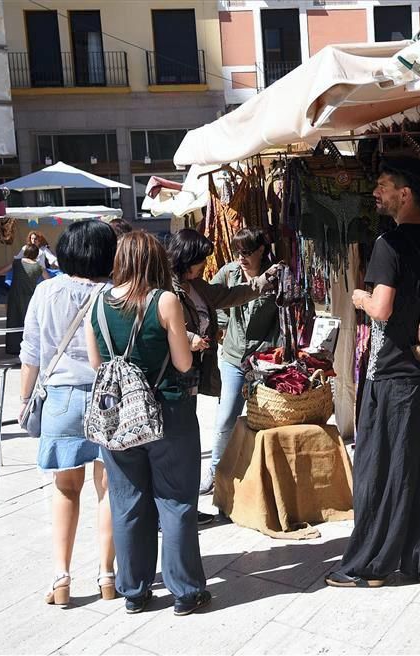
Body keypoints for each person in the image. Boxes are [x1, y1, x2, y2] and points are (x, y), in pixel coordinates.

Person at [325, 158, 420, 588]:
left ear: (405, 193)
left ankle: (372, 565)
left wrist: (360, 298)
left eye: (383, 186)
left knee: (384, 468)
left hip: (395, 372)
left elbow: (383, 309)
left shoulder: (390, 244)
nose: (376, 193)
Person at [85, 231, 210, 616]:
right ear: (156, 260)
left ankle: (135, 591)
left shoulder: (98, 302)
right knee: (175, 500)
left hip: (118, 416)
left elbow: (96, 364)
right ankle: (185, 592)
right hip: (168, 410)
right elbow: (184, 363)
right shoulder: (165, 300)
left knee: (127, 502)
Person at [17, 220, 118, 606]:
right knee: (107, 487)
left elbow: (31, 354)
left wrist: (25, 400)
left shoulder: (46, 290)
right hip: (109, 397)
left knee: (65, 488)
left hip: (60, 397)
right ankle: (107, 575)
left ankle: (61, 578)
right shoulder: (115, 294)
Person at [166, 228, 281, 503]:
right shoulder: (167, 288)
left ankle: (190, 501)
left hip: (198, 373)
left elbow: (229, 296)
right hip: (174, 377)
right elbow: (161, 325)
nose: (205, 264)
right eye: (201, 259)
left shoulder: (197, 286)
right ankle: (184, 498)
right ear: (186, 258)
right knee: (191, 437)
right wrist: (190, 337)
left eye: (246, 252)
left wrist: (264, 281)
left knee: (187, 440)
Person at [200, 228, 281, 495]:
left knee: (267, 420)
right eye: (238, 252)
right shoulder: (229, 272)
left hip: (264, 359)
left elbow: (285, 316)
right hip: (234, 357)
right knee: (226, 419)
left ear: (260, 250)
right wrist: (221, 328)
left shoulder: (275, 274)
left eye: (247, 252)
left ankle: (262, 475)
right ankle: (215, 471)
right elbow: (212, 300)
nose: (241, 257)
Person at [0, 243, 48, 354]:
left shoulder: (17, 263)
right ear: (36, 254)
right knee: (30, 323)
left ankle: (14, 349)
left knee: (14, 321)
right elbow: (48, 280)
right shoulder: (39, 267)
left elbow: (0, 271)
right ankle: (31, 349)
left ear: (25, 253)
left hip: (15, 297)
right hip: (31, 297)